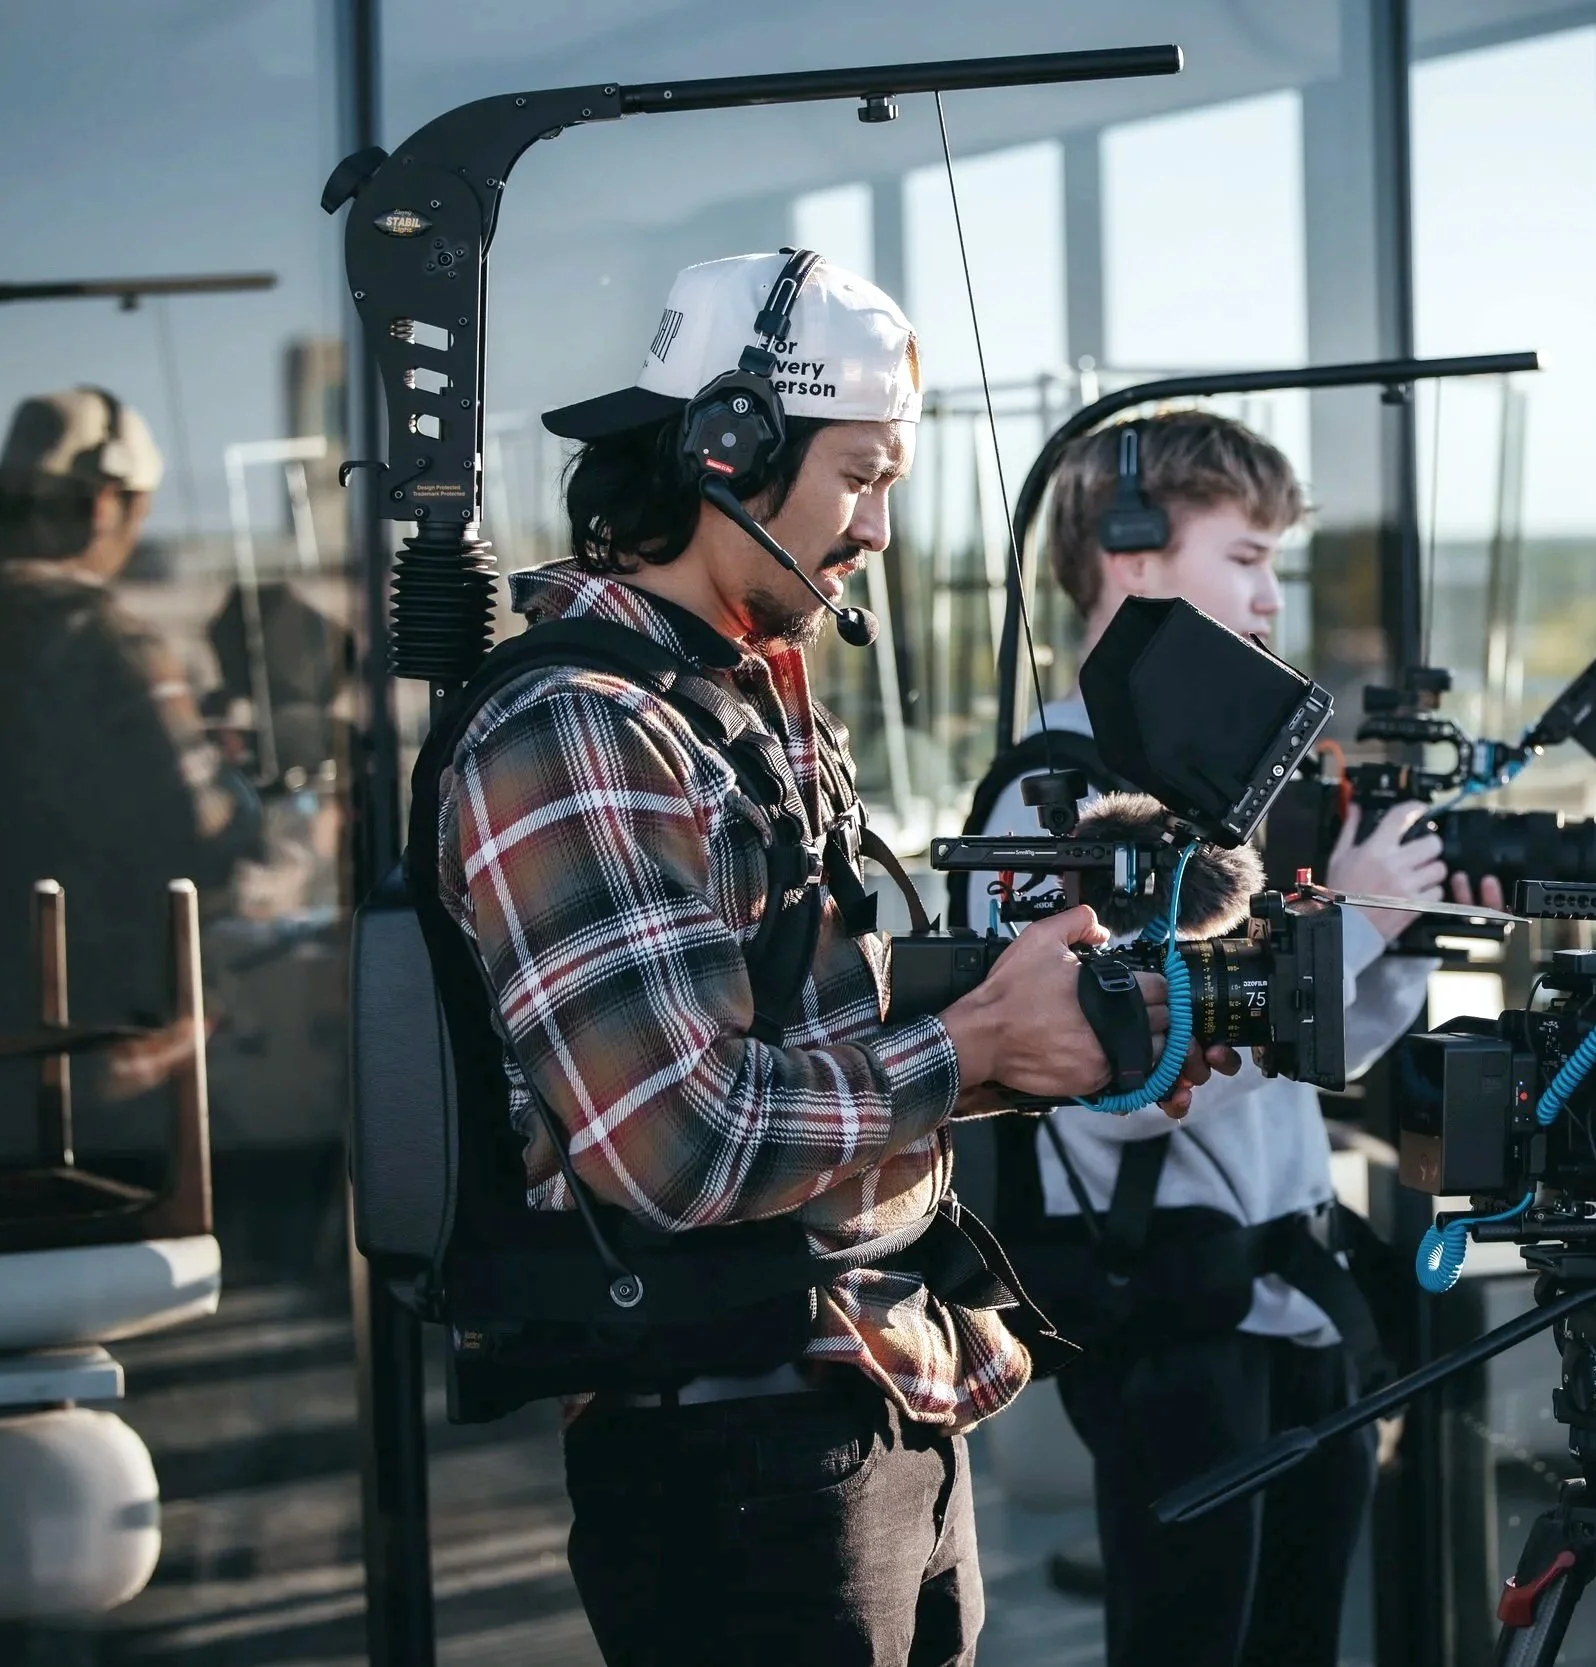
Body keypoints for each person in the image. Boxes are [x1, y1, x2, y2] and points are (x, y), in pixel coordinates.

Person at [437, 252, 1227, 1667]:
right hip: (733, 1454)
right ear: (727, 449)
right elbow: (680, 1139)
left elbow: (816, 1036)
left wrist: (1051, 1038)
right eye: (861, 475)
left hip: (886, 1395)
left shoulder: (749, 696)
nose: (876, 527)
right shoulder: (578, 728)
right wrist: (976, 1045)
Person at [967, 411, 1488, 1667]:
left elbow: (1322, 1052)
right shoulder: (1048, 797)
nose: (1269, 598)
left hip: (1293, 1303)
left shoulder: (1225, 791)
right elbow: (1121, 1083)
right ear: (1133, 558)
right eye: (1246, 557)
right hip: (1174, 1328)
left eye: (1277, 568)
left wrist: (1396, 936)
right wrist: (1352, 917)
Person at [0, 387, 257, 1119]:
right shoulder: (106, 643)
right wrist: (276, 819)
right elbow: (206, 842)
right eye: (140, 509)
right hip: (82, 1064)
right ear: (102, 504)